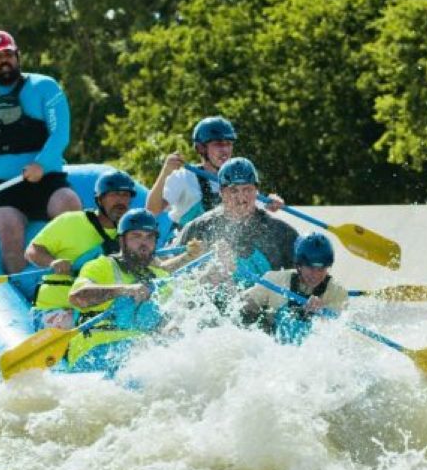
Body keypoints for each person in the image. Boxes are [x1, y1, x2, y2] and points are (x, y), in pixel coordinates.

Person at [0, 29, 81, 272]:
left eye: (8, 54)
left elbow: (60, 133)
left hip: (46, 179)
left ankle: (80, 274)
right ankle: (23, 292)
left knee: (68, 203)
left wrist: (42, 163)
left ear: (18, 56)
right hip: (2, 188)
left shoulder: (44, 87)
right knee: (8, 230)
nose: (4, 61)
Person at [25, 169, 138, 329]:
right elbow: (32, 250)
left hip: (99, 313)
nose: (121, 201)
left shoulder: (131, 234)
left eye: (125, 195)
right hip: (55, 309)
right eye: (114, 195)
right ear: (100, 199)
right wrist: (52, 262)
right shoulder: (70, 221)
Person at [66, 209, 170, 371]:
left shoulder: (159, 275)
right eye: (136, 236)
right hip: (94, 353)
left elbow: (180, 307)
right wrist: (125, 290)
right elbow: (77, 297)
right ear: (122, 241)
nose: (144, 243)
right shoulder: (100, 266)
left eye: (150, 237)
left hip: (139, 353)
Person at [179, 157, 298, 290]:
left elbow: (300, 281)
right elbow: (175, 278)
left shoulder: (282, 233)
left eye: (247, 189)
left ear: (256, 191)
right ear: (221, 193)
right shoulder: (198, 228)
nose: (241, 197)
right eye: (234, 190)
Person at [240, 232, 348, 343]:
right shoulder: (274, 280)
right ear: (299, 265)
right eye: (310, 268)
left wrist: (321, 314)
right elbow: (242, 306)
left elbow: (335, 333)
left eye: (321, 269)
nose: (315, 275)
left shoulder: (338, 293)